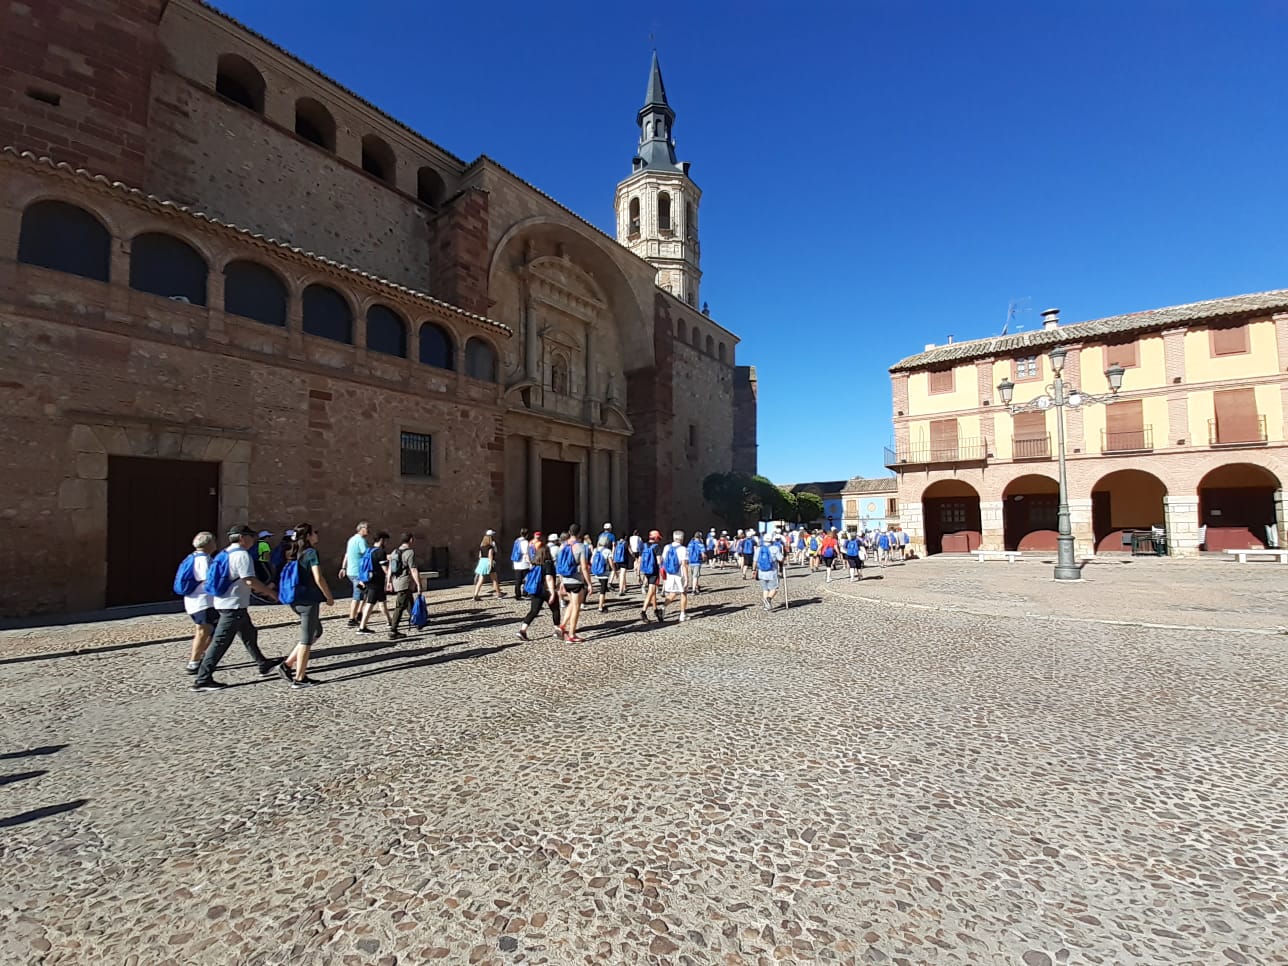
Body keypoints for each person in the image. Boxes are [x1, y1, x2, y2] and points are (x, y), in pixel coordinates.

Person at [191, 525, 280, 691]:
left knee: (249, 633)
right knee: (220, 642)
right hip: (233, 605)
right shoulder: (241, 555)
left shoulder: (224, 553)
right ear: (242, 538)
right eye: (251, 536)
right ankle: (203, 678)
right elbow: (249, 580)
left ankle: (263, 663)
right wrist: (270, 593)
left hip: (228, 603)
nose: (253, 540)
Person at [277, 522, 334, 689]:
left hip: (295, 598)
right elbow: (318, 577)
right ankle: (300, 678)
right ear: (308, 536)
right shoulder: (311, 553)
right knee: (306, 639)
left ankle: (286, 665)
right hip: (308, 600)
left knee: (317, 631)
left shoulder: (295, 552)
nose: (317, 535)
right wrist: (328, 596)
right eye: (314, 532)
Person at [177, 531, 217, 675]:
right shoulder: (203, 560)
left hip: (196, 601)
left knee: (211, 631)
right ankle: (194, 661)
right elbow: (209, 581)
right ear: (209, 544)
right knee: (203, 631)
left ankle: (202, 657)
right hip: (203, 602)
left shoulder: (192, 557)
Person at [516, 533, 559, 641]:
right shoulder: (548, 564)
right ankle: (557, 630)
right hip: (546, 590)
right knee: (555, 610)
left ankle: (522, 630)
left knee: (533, 611)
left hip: (536, 589)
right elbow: (549, 578)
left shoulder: (535, 564)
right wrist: (553, 592)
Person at [555, 524, 591, 642]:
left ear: (569, 533)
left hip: (565, 580)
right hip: (576, 580)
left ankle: (562, 626)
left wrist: (561, 581)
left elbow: (559, 565)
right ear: (579, 533)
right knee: (576, 607)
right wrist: (589, 583)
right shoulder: (581, 547)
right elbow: (584, 567)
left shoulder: (563, 545)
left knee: (572, 603)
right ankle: (571, 635)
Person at [386, 532, 422, 640]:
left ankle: (417, 621)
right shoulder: (410, 553)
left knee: (409, 602)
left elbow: (390, 569)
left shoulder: (394, 552)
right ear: (410, 540)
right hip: (404, 582)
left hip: (396, 580)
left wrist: (388, 582)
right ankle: (393, 630)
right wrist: (418, 584)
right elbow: (413, 569)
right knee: (400, 606)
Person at [356, 531, 392, 634]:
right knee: (370, 604)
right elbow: (385, 569)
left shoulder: (369, 550)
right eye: (386, 541)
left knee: (382, 602)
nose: (386, 543)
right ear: (382, 540)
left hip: (369, 580)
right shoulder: (380, 552)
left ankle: (389, 621)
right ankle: (362, 627)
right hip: (375, 582)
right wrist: (390, 578)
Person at [342, 521, 371, 627]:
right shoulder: (360, 541)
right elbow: (368, 555)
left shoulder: (351, 539)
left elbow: (347, 554)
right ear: (361, 529)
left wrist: (343, 567)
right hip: (358, 573)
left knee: (365, 592)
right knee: (357, 595)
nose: (369, 530)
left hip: (351, 571)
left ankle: (359, 613)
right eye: (367, 528)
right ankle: (351, 619)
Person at [660, 530, 690, 623]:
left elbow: (663, 560)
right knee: (683, 593)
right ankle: (682, 614)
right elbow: (684, 564)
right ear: (682, 539)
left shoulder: (666, 547)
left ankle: (663, 607)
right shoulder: (683, 549)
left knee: (672, 593)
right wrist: (687, 578)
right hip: (679, 574)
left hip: (670, 573)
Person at [756, 532, 785, 611]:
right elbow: (780, 559)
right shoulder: (775, 548)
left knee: (765, 589)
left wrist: (753, 570)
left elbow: (755, 561)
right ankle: (768, 599)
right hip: (772, 572)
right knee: (774, 588)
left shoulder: (759, 549)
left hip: (761, 572)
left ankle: (766, 606)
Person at [638, 529, 662, 622]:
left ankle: (655, 610)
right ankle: (643, 611)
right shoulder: (657, 547)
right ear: (656, 538)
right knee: (651, 591)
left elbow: (639, 560)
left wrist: (638, 573)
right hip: (654, 571)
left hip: (646, 570)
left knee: (653, 591)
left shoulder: (643, 546)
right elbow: (659, 561)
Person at [472, 530, 504, 601]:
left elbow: (480, 556)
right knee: (494, 579)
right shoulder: (490, 547)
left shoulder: (481, 546)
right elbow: (490, 556)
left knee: (480, 580)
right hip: (488, 562)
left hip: (482, 562)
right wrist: (491, 565)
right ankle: (499, 594)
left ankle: (475, 594)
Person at [590, 533, 613, 613]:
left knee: (602, 588)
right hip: (604, 573)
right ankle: (600, 607)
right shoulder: (607, 551)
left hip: (597, 572)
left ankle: (602, 604)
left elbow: (591, 561)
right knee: (602, 591)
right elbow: (610, 562)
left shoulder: (596, 550)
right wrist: (614, 570)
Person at [510, 528, 532, 600]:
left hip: (516, 563)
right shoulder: (525, 542)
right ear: (527, 534)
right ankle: (525, 593)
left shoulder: (516, 541)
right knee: (527, 579)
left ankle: (517, 594)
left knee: (518, 580)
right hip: (524, 563)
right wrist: (530, 562)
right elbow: (526, 553)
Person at [613, 528, 634, 596]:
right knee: (622, 574)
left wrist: (614, 558)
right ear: (625, 537)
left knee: (622, 574)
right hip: (624, 560)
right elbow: (630, 551)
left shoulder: (616, 542)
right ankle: (621, 590)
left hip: (617, 560)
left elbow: (614, 551)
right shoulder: (626, 543)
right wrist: (634, 557)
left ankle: (624, 587)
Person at [686, 530, 705, 594]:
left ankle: (696, 587)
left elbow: (687, 552)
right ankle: (693, 590)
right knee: (695, 576)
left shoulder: (690, 543)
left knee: (693, 575)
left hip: (691, 561)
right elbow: (703, 554)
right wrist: (704, 558)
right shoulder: (700, 544)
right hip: (697, 561)